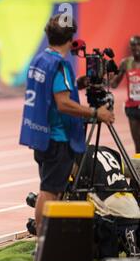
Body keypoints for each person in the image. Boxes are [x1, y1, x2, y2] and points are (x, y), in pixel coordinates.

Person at [19, 14, 115, 236]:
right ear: (71, 39)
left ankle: (49, 237)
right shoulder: (60, 64)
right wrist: (95, 112)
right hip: (57, 138)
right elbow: (62, 103)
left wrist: (76, 85)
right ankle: (44, 241)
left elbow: (51, 93)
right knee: (49, 192)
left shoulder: (40, 59)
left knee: (52, 189)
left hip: (41, 135)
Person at [111, 35, 140, 153]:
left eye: (138, 44)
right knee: (137, 142)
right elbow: (114, 84)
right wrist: (107, 78)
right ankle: (138, 167)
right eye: (133, 45)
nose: (136, 48)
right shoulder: (126, 63)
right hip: (132, 108)